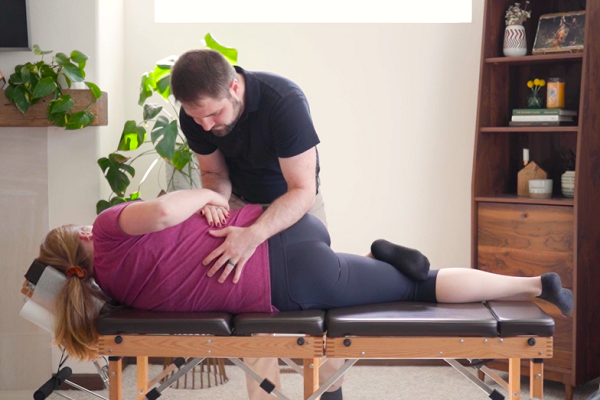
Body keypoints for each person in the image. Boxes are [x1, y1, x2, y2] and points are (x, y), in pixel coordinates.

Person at [39, 189, 573, 365]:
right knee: (413, 280)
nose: (88, 224)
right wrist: (210, 198)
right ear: (82, 243)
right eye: (78, 228)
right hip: (284, 241)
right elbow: (158, 214)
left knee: (419, 284)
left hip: (291, 285)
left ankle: (531, 285)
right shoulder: (110, 228)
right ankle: (386, 257)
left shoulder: (116, 294)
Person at [170, 48, 337, 398]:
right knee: (252, 314)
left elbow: (302, 189)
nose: (206, 125)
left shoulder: (284, 103)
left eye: (214, 114)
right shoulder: (197, 116)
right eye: (196, 117)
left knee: (322, 304)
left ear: (234, 87)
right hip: (241, 204)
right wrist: (214, 199)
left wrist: (255, 234)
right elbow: (214, 171)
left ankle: (328, 392)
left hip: (296, 204)